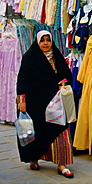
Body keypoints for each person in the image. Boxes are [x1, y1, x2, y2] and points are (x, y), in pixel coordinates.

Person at [16, 30, 75, 178]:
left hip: (55, 103)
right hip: (36, 103)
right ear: (38, 42)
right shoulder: (30, 58)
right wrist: (22, 101)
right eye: (42, 40)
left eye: (48, 40)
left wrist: (63, 82)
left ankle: (62, 165)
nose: (46, 43)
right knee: (37, 133)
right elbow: (22, 80)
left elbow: (66, 75)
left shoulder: (57, 57)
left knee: (60, 131)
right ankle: (34, 158)